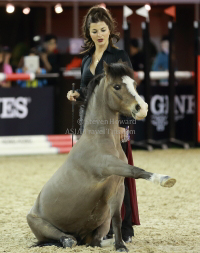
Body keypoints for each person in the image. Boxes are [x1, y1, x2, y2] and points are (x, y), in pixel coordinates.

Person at [67, 5, 140, 243]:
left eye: (103, 29)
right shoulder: (87, 59)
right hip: (91, 128)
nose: (99, 34)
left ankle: (125, 229)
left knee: (118, 175)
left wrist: (124, 125)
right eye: (95, 30)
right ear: (88, 33)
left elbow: (128, 93)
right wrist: (76, 94)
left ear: (110, 30)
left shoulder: (118, 57)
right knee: (94, 176)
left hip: (114, 126)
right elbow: (86, 90)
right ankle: (104, 226)